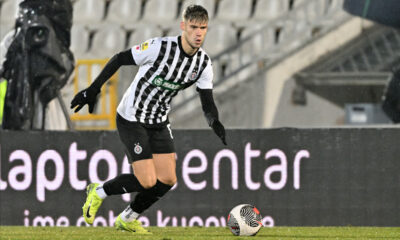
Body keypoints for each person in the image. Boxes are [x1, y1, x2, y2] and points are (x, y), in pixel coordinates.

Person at [70, 4, 227, 234]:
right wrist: (93, 89)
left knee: (168, 179)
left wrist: (214, 121)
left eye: (203, 28)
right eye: (193, 27)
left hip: (159, 121)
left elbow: (207, 100)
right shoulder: (159, 47)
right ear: (183, 26)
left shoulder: (203, 63)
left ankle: (128, 218)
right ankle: (98, 191)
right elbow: (119, 58)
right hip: (131, 117)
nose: (198, 33)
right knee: (146, 181)